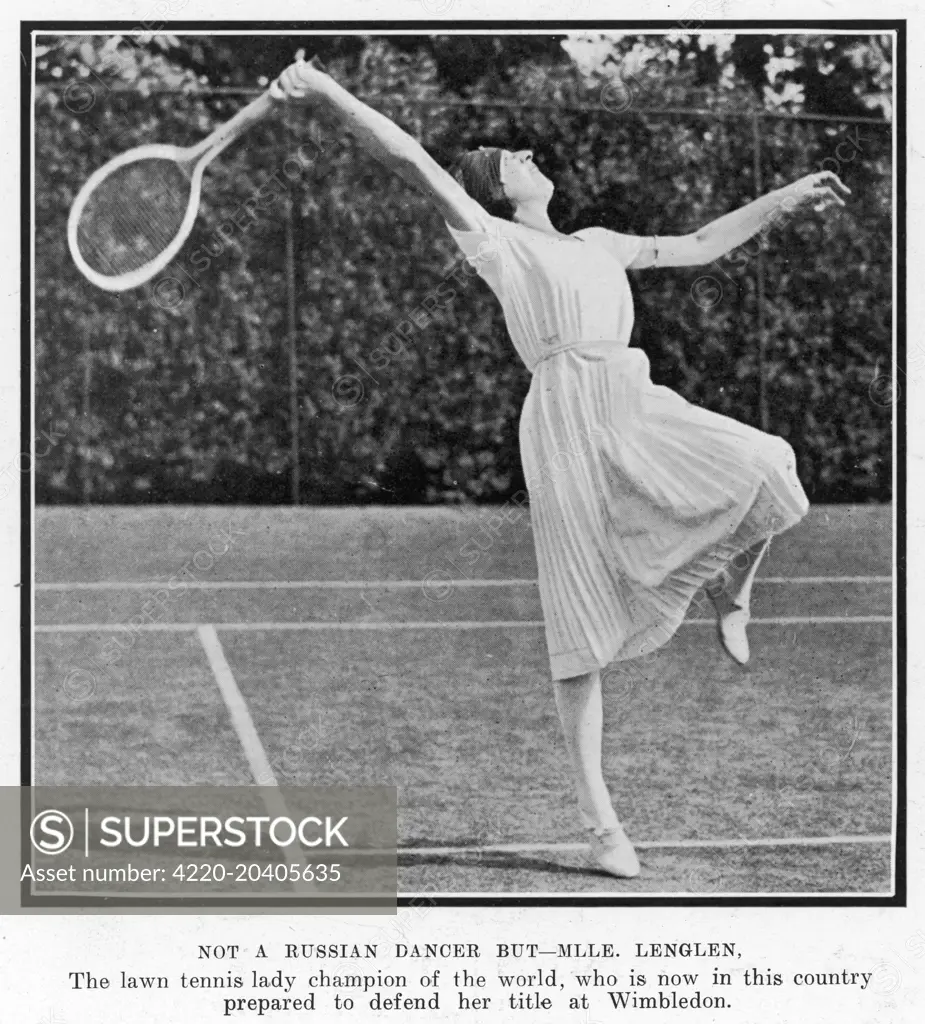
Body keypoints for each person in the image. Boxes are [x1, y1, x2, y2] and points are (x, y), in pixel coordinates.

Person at [270, 58, 849, 879]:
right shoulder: (489, 237)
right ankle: (601, 827)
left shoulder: (600, 243)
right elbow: (403, 155)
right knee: (577, 635)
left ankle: (732, 588)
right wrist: (325, 88)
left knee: (770, 464)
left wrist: (783, 197)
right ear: (496, 190)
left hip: (629, 396)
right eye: (511, 158)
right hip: (562, 424)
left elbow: (700, 243)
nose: (528, 156)